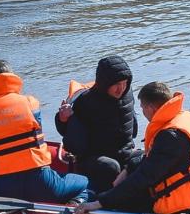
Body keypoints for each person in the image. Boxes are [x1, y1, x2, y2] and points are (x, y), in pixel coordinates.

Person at [74, 82, 190, 214]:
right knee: (135, 159)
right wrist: (129, 167)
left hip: (187, 200)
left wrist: (101, 202)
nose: (143, 112)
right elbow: (153, 160)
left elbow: (143, 177)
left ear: (151, 108)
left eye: (143, 108)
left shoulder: (170, 136)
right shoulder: (188, 118)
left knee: (121, 203)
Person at [0, 60, 89, 203]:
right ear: (11, 79)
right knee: (85, 183)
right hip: (42, 184)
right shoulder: (31, 104)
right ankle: (74, 207)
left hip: (1, 188)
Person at [55, 55, 142, 192]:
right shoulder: (85, 101)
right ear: (105, 83)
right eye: (116, 85)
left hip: (123, 151)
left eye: (124, 83)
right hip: (94, 158)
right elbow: (68, 134)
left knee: (144, 157)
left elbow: (133, 129)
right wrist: (63, 119)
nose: (121, 89)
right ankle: (102, 199)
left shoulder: (128, 94)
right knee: (111, 167)